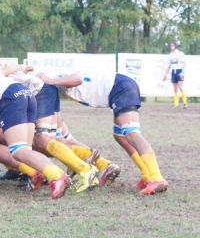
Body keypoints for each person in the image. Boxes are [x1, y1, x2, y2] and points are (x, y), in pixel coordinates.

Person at [37, 71, 169, 195]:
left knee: (132, 133)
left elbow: (78, 78)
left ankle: (156, 178)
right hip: (117, 90)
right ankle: (147, 175)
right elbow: (61, 133)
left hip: (120, 87)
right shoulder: (54, 90)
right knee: (120, 136)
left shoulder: (55, 78)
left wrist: (50, 79)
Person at [163, 41, 187, 108]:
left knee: (180, 87)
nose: (171, 47)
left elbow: (184, 63)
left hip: (179, 71)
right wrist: (165, 74)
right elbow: (169, 66)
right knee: (175, 89)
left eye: (172, 45)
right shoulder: (170, 55)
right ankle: (176, 104)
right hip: (173, 72)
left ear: (175, 46)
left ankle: (185, 103)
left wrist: (182, 72)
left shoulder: (180, 53)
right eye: (170, 46)